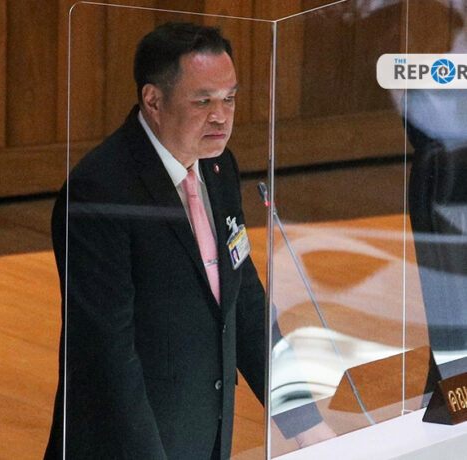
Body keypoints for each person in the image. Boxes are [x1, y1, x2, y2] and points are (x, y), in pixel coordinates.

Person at [44, 22, 333, 459]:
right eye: (203, 101)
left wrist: (303, 421)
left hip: (203, 434)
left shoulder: (219, 167)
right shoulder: (100, 192)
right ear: (153, 101)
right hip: (128, 445)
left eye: (229, 98)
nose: (221, 116)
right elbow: (106, 354)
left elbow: (244, 301)